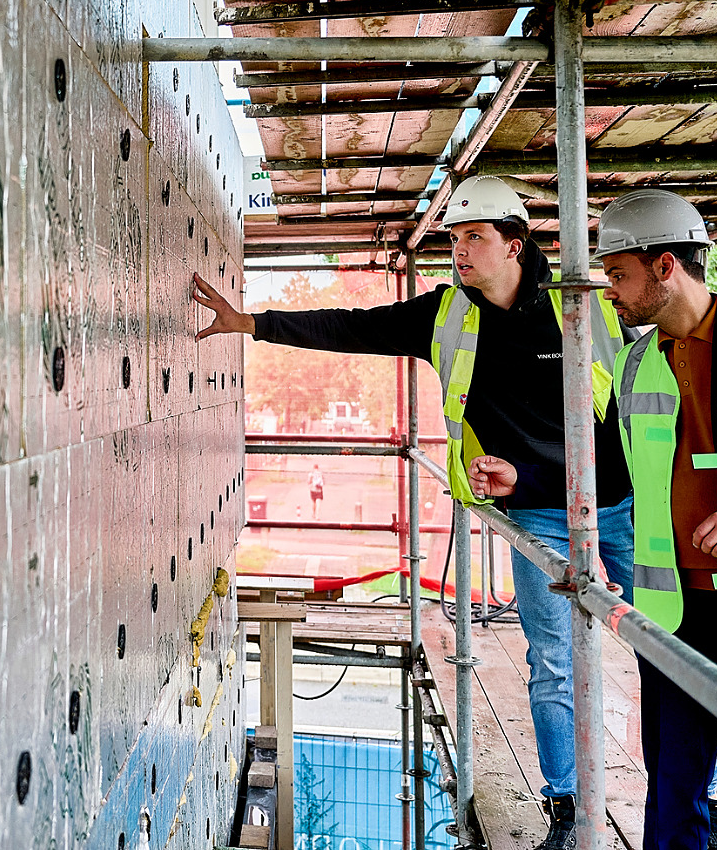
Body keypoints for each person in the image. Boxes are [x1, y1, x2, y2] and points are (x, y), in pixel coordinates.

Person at [194, 175, 633, 850]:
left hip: (624, 499)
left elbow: (637, 403)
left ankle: (707, 798)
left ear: (515, 244)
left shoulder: (585, 309)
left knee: (668, 648)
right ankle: (569, 808)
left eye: (474, 237)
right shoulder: (447, 314)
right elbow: (351, 328)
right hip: (539, 511)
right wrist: (252, 323)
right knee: (553, 660)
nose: (459, 250)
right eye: (454, 238)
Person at [599, 189, 717, 850]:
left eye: (617, 274)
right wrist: (521, 478)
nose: (610, 291)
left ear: (666, 266)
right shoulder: (634, 363)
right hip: (677, 610)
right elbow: (607, 471)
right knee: (672, 790)